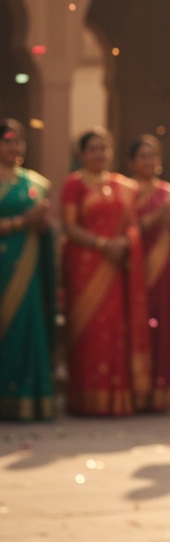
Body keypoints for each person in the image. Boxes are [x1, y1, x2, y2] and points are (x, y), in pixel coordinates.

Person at [61, 128, 150, 415]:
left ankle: (116, 398)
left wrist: (125, 242)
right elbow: (69, 227)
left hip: (116, 266)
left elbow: (133, 224)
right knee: (88, 332)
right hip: (86, 266)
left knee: (115, 330)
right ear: (81, 154)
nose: (99, 154)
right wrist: (103, 244)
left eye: (104, 148)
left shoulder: (123, 185)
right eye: (93, 149)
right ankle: (85, 399)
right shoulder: (73, 185)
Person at [0, 119, 57, 420]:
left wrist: (44, 225)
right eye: (7, 141)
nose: (14, 147)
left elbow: (46, 230)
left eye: (18, 141)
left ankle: (26, 400)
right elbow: (23, 221)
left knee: (25, 329)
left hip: (27, 267)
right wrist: (21, 222)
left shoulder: (37, 183)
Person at [128, 135, 170, 411]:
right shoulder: (125, 192)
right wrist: (155, 218)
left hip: (165, 272)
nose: (149, 162)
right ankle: (138, 391)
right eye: (143, 156)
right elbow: (124, 230)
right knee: (135, 324)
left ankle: (164, 391)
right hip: (134, 271)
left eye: (153, 156)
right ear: (132, 162)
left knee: (165, 324)